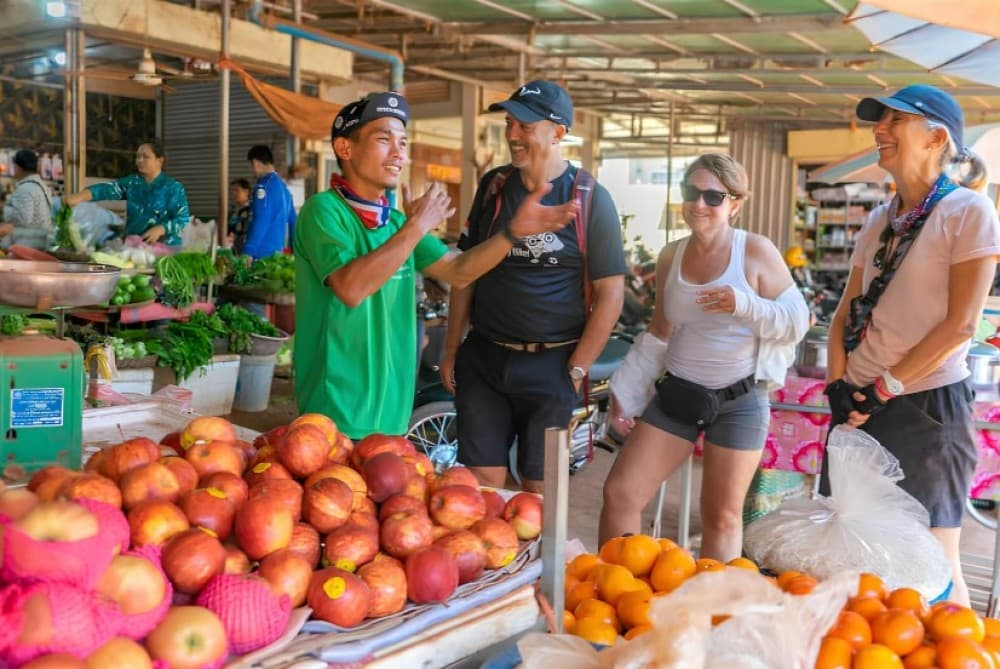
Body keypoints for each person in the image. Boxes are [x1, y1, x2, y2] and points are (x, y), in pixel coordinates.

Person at [294, 91, 577, 441]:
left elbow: (459, 271)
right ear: (345, 148)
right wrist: (417, 227)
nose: (399, 153)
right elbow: (351, 289)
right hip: (334, 413)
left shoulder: (396, 222)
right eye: (384, 140)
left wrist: (513, 233)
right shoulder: (323, 211)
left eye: (403, 142)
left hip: (392, 412)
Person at [823, 85, 1000, 606]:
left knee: (931, 567)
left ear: (936, 137)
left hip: (926, 408)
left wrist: (884, 388)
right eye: (880, 120)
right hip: (858, 406)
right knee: (854, 557)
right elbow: (844, 315)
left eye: (895, 120)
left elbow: (959, 326)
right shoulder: (880, 219)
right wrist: (841, 385)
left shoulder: (968, 212)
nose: (879, 130)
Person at [598, 153, 809, 561]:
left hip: (739, 402)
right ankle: (616, 590)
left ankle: (715, 612)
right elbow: (659, 330)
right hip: (678, 395)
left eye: (713, 196)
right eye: (691, 192)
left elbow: (797, 322)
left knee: (722, 517)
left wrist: (743, 304)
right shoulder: (670, 255)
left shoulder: (755, 251)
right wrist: (625, 391)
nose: (699, 204)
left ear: (735, 203)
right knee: (620, 492)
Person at [440, 80, 627, 494]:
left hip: (552, 364)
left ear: (558, 133)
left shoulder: (591, 198)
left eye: (524, 125)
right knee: (484, 481)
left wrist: (577, 368)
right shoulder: (494, 188)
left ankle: (534, 555)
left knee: (540, 489)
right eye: (509, 123)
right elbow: (464, 273)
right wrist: (452, 348)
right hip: (485, 358)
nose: (511, 135)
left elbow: (612, 294)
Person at [63, 140, 189, 245]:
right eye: (138, 156)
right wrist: (78, 197)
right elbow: (105, 190)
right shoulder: (132, 183)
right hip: (135, 246)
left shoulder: (173, 187)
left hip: (165, 247)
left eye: (145, 157)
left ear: (160, 161)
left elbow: (182, 218)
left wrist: (161, 229)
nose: (139, 160)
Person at [244, 145, 296, 260]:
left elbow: (262, 219)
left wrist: (248, 250)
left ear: (256, 163)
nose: (252, 171)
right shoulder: (284, 189)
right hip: (277, 256)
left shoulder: (264, 187)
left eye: (251, 166)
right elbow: (293, 222)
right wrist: (293, 251)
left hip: (260, 256)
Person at [1, 150, 54, 250]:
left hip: (30, 245)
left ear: (18, 167)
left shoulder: (26, 189)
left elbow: (21, 221)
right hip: (40, 243)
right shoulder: (39, 186)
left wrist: (4, 210)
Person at [227, 178, 251, 253]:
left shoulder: (250, 211)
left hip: (244, 251)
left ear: (246, 192)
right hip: (233, 249)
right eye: (232, 191)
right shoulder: (234, 212)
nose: (233, 193)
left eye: (237, 190)